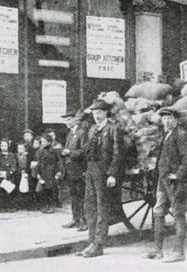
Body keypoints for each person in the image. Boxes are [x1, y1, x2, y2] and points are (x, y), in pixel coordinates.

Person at [141, 107, 187, 263]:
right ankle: (158, 250)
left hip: (176, 182)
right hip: (164, 181)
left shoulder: (181, 135)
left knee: (178, 214)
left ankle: (179, 252)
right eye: (164, 118)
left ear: (176, 120)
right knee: (158, 211)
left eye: (169, 118)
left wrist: (178, 175)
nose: (166, 121)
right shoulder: (166, 135)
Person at [77, 99, 125, 258]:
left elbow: (118, 153)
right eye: (94, 113)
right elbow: (86, 150)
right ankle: (92, 241)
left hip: (104, 173)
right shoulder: (91, 129)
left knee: (102, 208)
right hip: (91, 171)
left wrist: (112, 174)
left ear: (105, 112)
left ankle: (99, 244)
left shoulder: (114, 128)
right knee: (89, 207)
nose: (96, 115)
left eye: (99, 112)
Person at [61, 109, 88, 231]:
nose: (67, 122)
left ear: (75, 120)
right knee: (73, 196)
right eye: (65, 120)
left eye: (69, 120)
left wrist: (69, 152)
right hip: (70, 170)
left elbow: (84, 151)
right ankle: (75, 219)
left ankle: (83, 221)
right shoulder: (70, 133)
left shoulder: (82, 133)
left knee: (81, 196)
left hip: (79, 170)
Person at [37, 134, 64, 214]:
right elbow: (39, 163)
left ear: (49, 142)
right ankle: (45, 205)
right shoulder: (41, 151)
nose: (42, 143)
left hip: (52, 172)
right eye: (41, 141)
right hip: (44, 172)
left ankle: (51, 206)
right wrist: (38, 173)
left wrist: (59, 171)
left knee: (52, 190)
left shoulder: (55, 151)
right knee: (44, 190)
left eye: (44, 141)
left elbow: (59, 161)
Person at [0, 138, 18, 212]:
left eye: (5, 145)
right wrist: (0, 171)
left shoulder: (12, 155)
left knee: (10, 190)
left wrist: (9, 172)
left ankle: (11, 206)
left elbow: (14, 165)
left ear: (8, 146)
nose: (4, 147)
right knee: (2, 191)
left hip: (10, 175)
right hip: (1, 175)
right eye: (2, 145)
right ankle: (2, 207)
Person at [16, 142, 32, 210]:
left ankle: (27, 205)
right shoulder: (15, 156)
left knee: (26, 189)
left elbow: (29, 165)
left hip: (26, 174)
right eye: (19, 148)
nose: (21, 150)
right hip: (18, 174)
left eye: (22, 148)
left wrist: (26, 171)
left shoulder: (28, 157)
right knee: (18, 189)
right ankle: (19, 205)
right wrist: (20, 171)